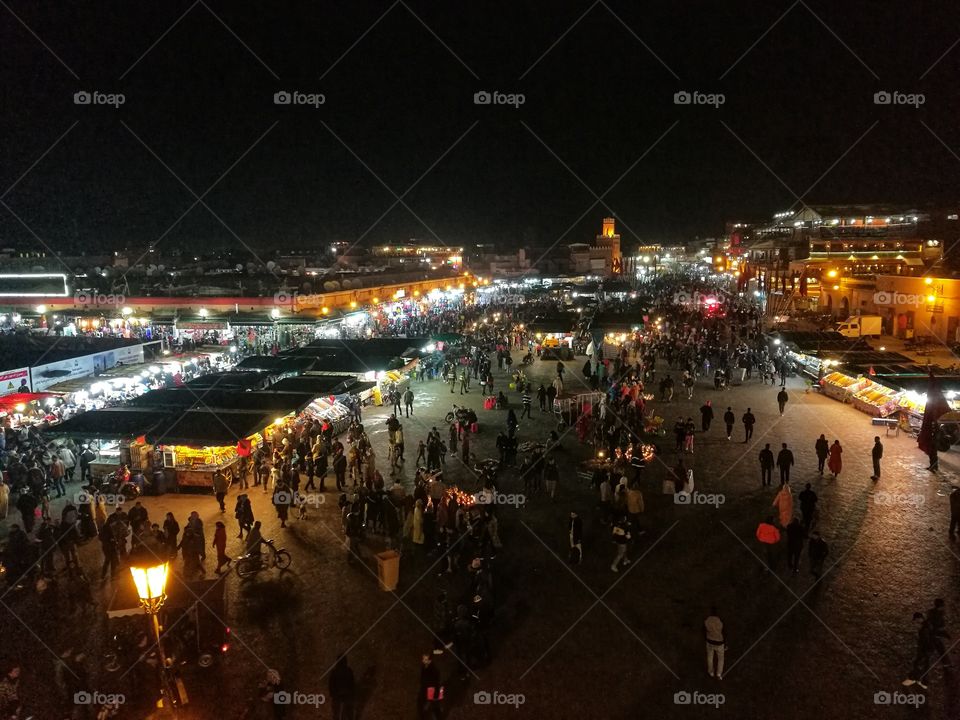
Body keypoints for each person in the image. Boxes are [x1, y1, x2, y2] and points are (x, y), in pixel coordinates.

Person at [902, 612, 934, 689]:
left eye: (916, 620)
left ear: (920, 618)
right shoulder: (928, 625)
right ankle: (923, 682)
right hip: (928, 649)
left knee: (918, 664)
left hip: (925, 650)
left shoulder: (924, 629)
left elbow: (925, 641)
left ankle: (913, 679)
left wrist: (922, 651)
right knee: (925, 666)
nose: (916, 622)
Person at [329, 653, 356, 720]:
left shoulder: (334, 671)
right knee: (347, 715)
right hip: (345, 696)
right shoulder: (349, 671)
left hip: (339, 696)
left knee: (337, 715)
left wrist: (334, 694)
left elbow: (331, 685)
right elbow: (352, 684)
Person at [928, 598, 951, 669]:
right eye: (943, 605)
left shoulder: (933, 612)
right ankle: (946, 664)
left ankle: (946, 664)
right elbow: (935, 626)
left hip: (934, 635)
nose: (944, 607)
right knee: (940, 650)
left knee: (939, 650)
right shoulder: (935, 614)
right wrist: (946, 635)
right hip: (934, 636)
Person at [419, 653, 444, 719]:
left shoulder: (434, 671)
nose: (423, 660)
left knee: (434, 708)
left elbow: (435, 685)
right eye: (423, 659)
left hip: (433, 692)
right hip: (427, 690)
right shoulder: (424, 667)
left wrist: (430, 701)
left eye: (425, 659)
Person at [704, 607, 725, 679]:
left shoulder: (707, 620)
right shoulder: (720, 621)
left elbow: (703, 630)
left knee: (710, 657)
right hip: (719, 643)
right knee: (721, 658)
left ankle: (711, 672)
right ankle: (719, 673)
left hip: (709, 641)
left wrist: (706, 638)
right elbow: (724, 632)